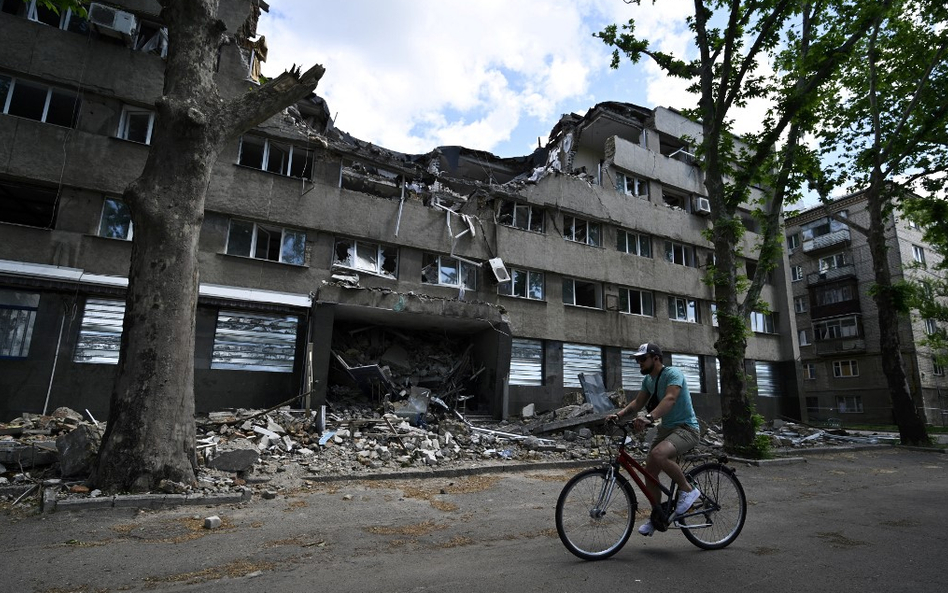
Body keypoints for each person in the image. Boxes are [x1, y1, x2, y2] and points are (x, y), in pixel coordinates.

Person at [607, 342, 701, 536]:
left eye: (642, 359)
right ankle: (658, 516)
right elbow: (638, 402)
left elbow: (670, 399)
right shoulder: (649, 381)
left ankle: (688, 490)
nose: (639, 363)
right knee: (649, 471)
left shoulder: (673, 374)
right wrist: (619, 415)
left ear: (655, 358)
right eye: (638, 360)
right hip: (666, 429)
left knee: (659, 454)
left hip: (687, 428)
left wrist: (649, 418)